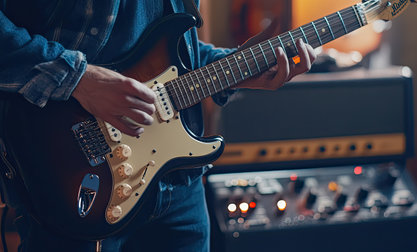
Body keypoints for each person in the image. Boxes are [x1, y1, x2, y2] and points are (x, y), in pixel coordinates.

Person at [0, 0, 316, 251]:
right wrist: (80, 79)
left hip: (179, 188)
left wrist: (236, 67)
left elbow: (174, 55)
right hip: (74, 176)